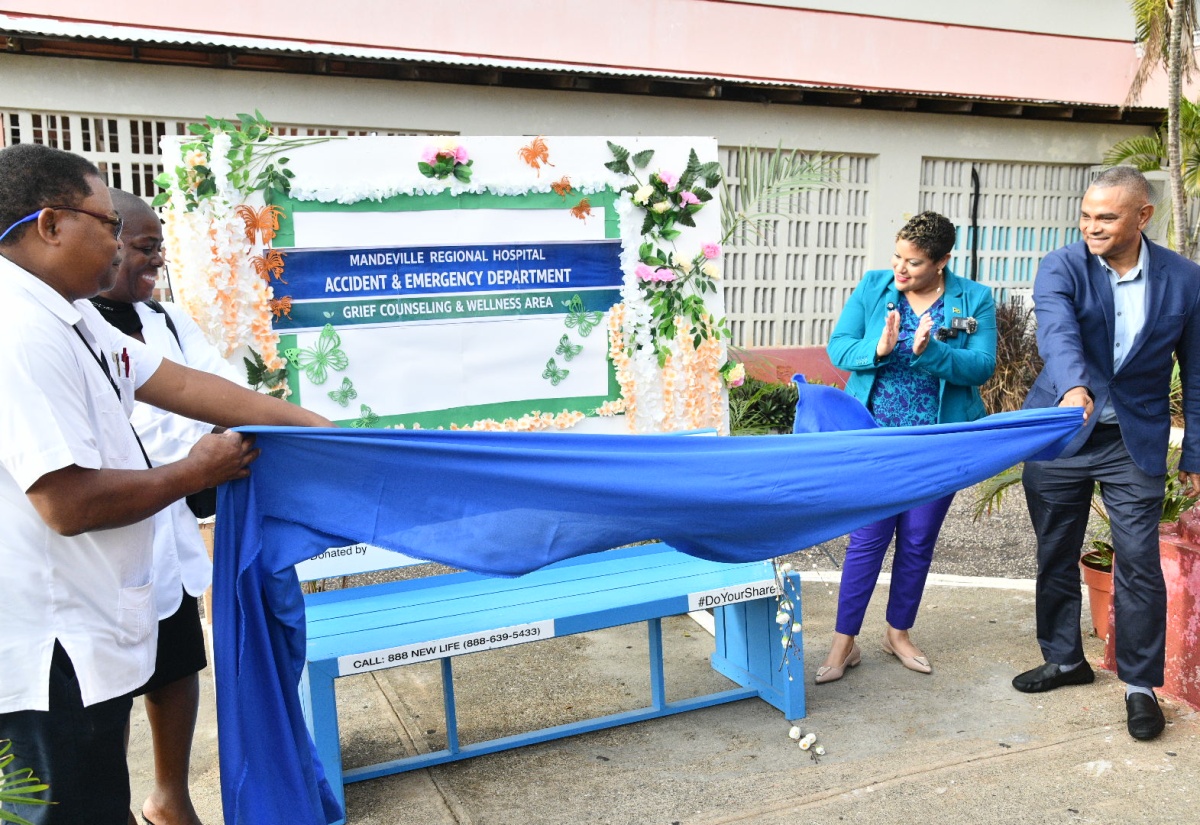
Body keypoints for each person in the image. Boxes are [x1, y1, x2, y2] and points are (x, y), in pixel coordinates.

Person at [0, 143, 332, 825]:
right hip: (47, 661)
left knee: (96, 798)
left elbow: (181, 383)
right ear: (50, 224)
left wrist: (316, 428)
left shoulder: (70, 314)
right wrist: (196, 472)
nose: (120, 246)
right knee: (57, 809)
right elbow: (66, 503)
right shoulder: (19, 331)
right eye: (108, 224)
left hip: (87, 629)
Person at [1014, 166, 1200, 741]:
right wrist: (1073, 387)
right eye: (1086, 214)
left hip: (1132, 442)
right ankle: (1066, 658)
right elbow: (1058, 333)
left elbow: (1195, 372)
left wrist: (1194, 453)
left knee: (1140, 562)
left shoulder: (1185, 279)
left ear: (1142, 217)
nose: (1091, 226)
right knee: (1056, 550)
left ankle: (1140, 686)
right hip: (1063, 433)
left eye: (1107, 217)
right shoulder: (1061, 266)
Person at [89, 189, 240, 825]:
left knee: (175, 668)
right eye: (146, 249)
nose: (156, 263)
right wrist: (196, 453)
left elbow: (221, 393)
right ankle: (112, 806)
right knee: (106, 690)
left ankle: (169, 797)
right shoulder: (63, 326)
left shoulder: (169, 323)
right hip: (100, 541)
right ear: (107, 241)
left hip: (166, 534)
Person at [817, 211, 997, 684]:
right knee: (867, 540)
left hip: (937, 443)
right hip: (876, 437)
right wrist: (877, 348)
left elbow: (981, 367)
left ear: (942, 261)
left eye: (914, 262)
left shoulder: (973, 299)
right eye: (898, 256)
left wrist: (931, 352)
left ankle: (898, 633)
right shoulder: (874, 287)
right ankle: (844, 643)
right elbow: (839, 348)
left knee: (918, 541)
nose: (901, 269)